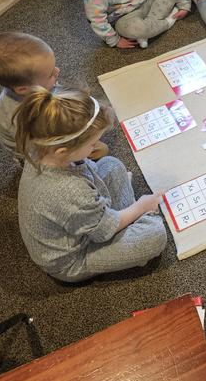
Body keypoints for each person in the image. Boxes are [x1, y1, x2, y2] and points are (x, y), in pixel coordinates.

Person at [14, 87, 166, 282]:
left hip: (80, 214)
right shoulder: (68, 190)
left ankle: (124, 223)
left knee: (112, 165)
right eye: (92, 144)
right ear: (62, 151)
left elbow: (87, 172)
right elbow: (102, 232)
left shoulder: (40, 149)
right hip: (74, 259)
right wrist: (142, 206)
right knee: (155, 236)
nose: (97, 146)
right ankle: (131, 227)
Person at [0, 32, 107, 160]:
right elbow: (40, 149)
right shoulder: (18, 118)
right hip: (34, 150)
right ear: (23, 89)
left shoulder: (30, 86)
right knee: (100, 151)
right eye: (51, 74)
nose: (57, 71)